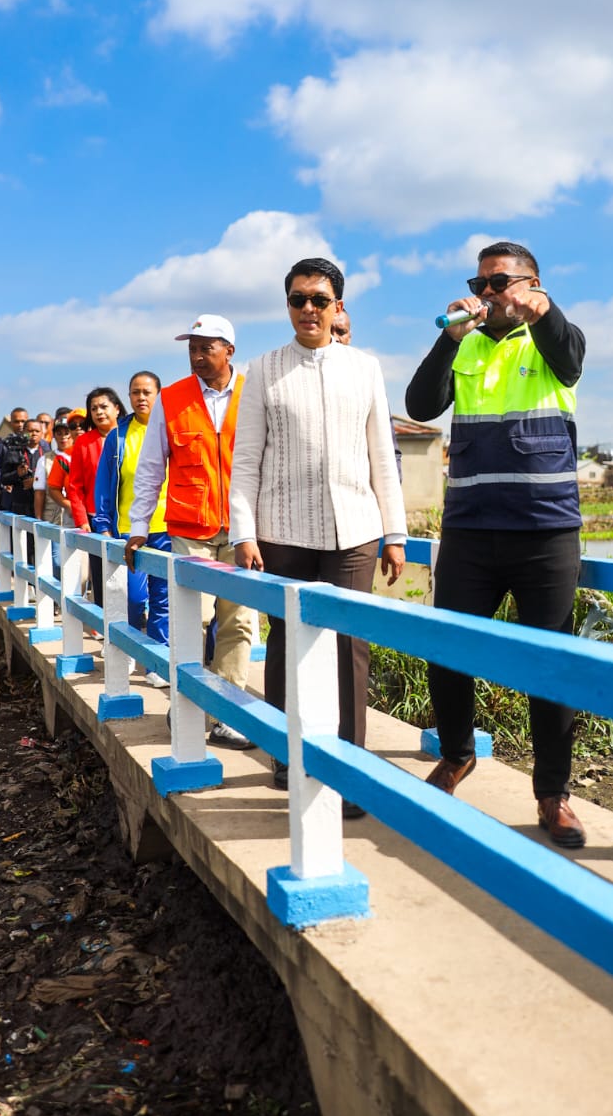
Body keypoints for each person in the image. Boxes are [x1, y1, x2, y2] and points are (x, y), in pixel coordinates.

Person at [404, 239, 587, 848]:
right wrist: (449, 338)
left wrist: (541, 312)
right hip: (470, 527)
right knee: (449, 647)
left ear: (532, 284)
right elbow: (419, 405)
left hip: (545, 529)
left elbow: (571, 357)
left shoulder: (554, 338)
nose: (486, 293)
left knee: (551, 666)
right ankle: (458, 755)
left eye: (499, 282)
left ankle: (552, 795)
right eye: (479, 283)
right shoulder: (467, 345)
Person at [230, 259, 407, 805]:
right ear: (287, 306)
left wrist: (395, 532)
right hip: (282, 528)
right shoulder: (263, 369)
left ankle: (350, 770)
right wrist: (244, 532)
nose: (309, 309)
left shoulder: (365, 368)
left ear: (338, 307)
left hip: (355, 528)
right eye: (298, 299)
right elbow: (246, 461)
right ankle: (290, 756)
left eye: (320, 299)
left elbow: (382, 455)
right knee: (287, 642)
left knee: (351, 647)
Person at [125, 316, 254, 749]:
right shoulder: (172, 398)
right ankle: (190, 702)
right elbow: (149, 468)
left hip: (243, 529)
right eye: (192, 349)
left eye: (206, 348)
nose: (197, 357)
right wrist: (139, 527)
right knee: (191, 620)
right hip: (189, 528)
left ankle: (228, 712)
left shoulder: (254, 392)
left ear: (229, 351)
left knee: (238, 621)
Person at [93, 371, 171, 684]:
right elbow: (105, 482)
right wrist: (103, 524)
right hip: (129, 529)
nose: (140, 398)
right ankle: (126, 651)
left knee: (163, 599)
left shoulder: (170, 429)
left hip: (167, 526)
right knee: (135, 599)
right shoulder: (118, 436)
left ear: (158, 394)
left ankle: (156, 663)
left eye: (146, 392)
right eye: (135, 392)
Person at [68, 387, 126, 607]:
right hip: (96, 518)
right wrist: (82, 520)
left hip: (129, 516)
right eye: (94, 409)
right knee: (102, 571)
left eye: (104, 406)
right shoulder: (83, 442)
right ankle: (105, 619)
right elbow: (75, 486)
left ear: (117, 408)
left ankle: (135, 619)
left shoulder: (129, 434)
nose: (99, 412)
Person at [331, 309, 402, 481]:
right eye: (329, 331)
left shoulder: (366, 379)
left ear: (350, 336)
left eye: (341, 332)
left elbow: (389, 449)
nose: (335, 338)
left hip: (359, 496)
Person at [0, 407, 33, 514]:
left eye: (23, 421)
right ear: (11, 423)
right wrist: (5, 484)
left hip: (34, 497)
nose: (20, 425)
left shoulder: (39, 444)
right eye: (16, 421)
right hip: (10, 498)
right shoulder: (1, 446)